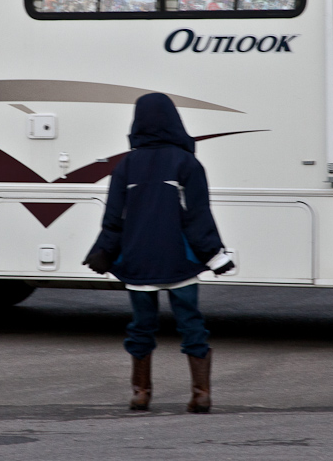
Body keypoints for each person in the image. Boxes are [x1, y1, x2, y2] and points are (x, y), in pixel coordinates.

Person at [83, 93, 234, 413]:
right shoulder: (187, 163)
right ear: (173, 121)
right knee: (191, 323)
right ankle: (201, 393)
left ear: (138, 123)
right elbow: (197, 216)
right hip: (180, 261)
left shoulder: (126, 166)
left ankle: (141, 392)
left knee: (141, 325)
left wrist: (103, 251)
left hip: (138, 260)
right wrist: (215, 255)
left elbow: (114, 218)